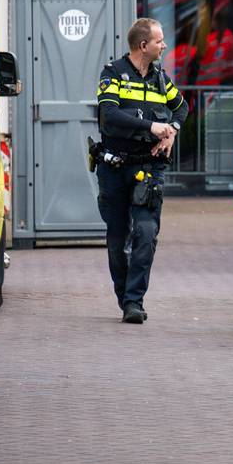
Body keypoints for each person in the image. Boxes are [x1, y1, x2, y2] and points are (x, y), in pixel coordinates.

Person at [95, 18, 188, 324]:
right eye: (160, 41)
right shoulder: (113, 73)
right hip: (114, 167)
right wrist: (151, 125)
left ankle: (135, 301)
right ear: (143, 46)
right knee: (116, 238)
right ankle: (124, 296)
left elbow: (182, 108)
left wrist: (171, 130)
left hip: (149, 168)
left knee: (146, 234)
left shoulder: (161, 77)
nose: (165, 46)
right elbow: (110, 114)